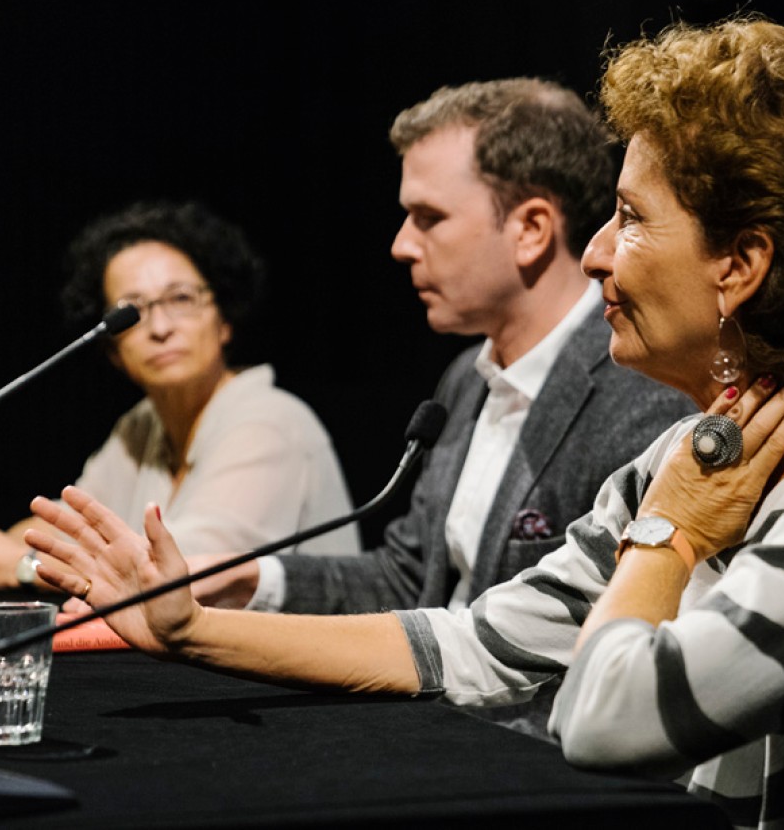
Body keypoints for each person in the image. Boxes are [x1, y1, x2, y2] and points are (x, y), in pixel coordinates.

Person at [26, 16, 784, 828]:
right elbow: (471, 645)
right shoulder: (689, 456)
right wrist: (194, 628)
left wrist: (669, 535)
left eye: (632, 218)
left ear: (740, 264)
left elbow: (610, 721)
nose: (596, 253)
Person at [184, 78, 694, 628]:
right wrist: (247, 578)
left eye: (429, 218)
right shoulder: (466, 379)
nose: (401, 245)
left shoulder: (642, 391)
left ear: (531, 229)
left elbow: (601, 636)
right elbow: (411, 577)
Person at [0, 199, 358, 591]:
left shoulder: (272, 422)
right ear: (113, 350)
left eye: (181, 298)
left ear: (225, 321)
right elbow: (65, 524)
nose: (160, 327)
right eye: (133, 311)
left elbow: (177, 577)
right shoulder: (140, 427)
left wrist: (18, 566)